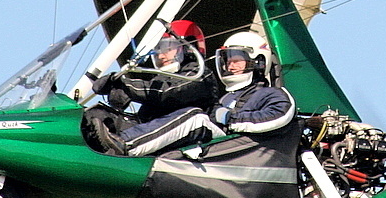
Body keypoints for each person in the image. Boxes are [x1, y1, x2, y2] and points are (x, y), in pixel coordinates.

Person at [116, 30, 296, 158]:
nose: (230, 66)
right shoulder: (226, 97)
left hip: (244, 150)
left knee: (195, 117)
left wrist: (231, 119)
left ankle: (124, 145)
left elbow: (279, 115)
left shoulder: (271, 93)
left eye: (237, 61)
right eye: (227, 61)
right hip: (217, 148)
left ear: (257, 62)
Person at [84, 20, 216, 154]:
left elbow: (169, 92)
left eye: (167, 48)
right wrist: (115, 90)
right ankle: (83, 142)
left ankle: (122, 145)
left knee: (195, 117)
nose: (160, 55)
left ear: (188, 48)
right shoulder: (160, 78)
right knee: (96, 115)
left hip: (202, 137)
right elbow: (143, 112)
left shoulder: (200, 74)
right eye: (158, 49)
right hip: (156, 135)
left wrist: (126, 86)